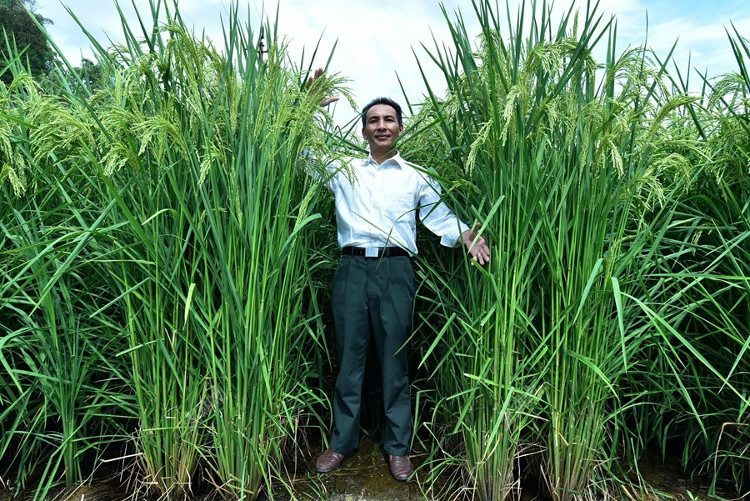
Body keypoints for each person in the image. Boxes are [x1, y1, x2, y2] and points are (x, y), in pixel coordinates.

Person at [309, 70, 490, 482]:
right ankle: (341, 443)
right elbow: (304, 154)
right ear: (363, 130)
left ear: (400, 128)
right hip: (352, 268)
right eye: (373, 120)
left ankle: (397, 449)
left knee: (395, 359)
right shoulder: (344, 171)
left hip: (395, 270)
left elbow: (440, 217)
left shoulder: (416, 176)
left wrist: (466, 234)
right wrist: (309, 107)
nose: (381, 126)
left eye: (388, 120)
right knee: (349, 359)